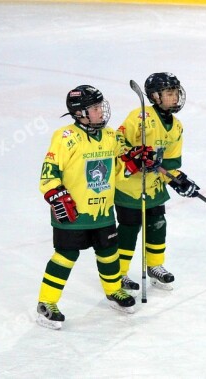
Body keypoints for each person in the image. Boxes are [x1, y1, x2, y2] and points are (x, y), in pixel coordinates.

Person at [36, 85, 139, 329]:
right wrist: (55, 193)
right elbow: (48, 174)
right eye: (94, 108)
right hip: (75, 213)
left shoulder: (111, 136)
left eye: (100, 106)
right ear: (80, 112)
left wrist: (134, 162)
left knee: (109, 251)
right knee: (66, 255)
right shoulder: (65, 138)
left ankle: (114, 291)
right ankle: (46, 303)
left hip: (103, 211)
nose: (101, 111)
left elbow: (117, 171)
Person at [115, 72, 199, 291]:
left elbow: (169, 165)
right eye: (169, 93)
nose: (175, 98)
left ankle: (155, 266)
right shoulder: (139, 117)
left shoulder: (177, 126)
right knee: (128, 229)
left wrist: (179, 181)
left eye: (176, 93)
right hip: (129, 188)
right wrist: (134, 154)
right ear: (155, 96)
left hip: (154, 188)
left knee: (157, 225)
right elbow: (116, 142)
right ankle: (119, 273)